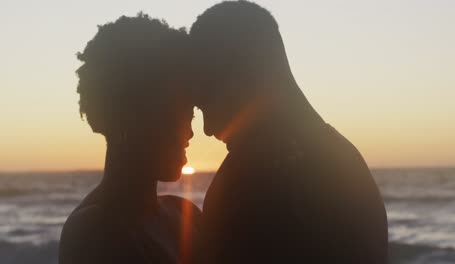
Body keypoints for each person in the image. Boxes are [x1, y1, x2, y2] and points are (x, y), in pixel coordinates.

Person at [190, 2, 388, 263]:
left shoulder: (253, 182)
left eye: (207, 100)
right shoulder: (344, 160)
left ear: (244, 76)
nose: (207, 129)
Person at [59, 14, 200, 264]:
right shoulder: (94, 232)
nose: (189, 133)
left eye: (190, 114)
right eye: (179, 114)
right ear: (130, 118)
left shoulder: (184, 214)